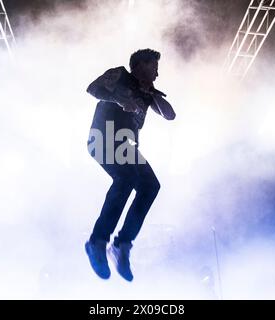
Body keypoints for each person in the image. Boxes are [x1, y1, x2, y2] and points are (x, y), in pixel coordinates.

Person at [85, 49, 176, 281]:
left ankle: (122, 245)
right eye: (154, 67)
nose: (157, 73)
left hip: (126, 146)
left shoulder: (149, 93)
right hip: (103, 137)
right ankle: (97, 241)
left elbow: (170, 115)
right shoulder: (120, 75)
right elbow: (93, 89)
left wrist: (153, 95)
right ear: (140, 65)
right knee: (126, 178)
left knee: (150, 186)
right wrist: (121, 99)